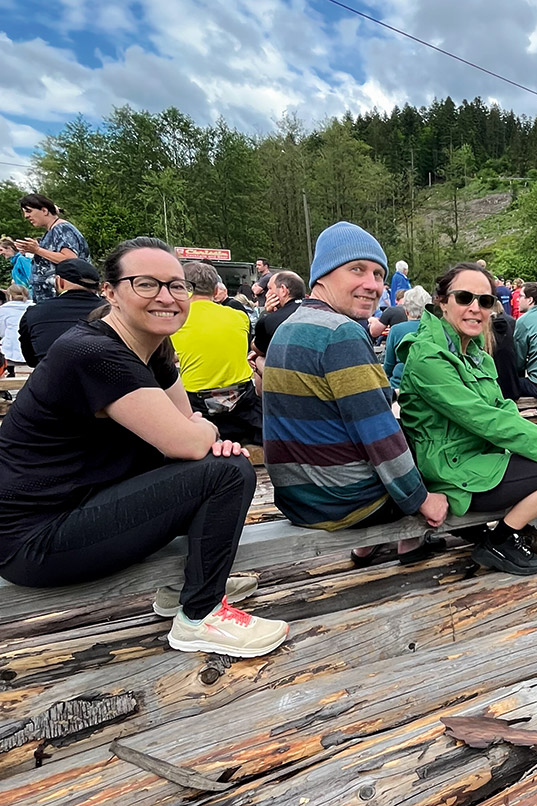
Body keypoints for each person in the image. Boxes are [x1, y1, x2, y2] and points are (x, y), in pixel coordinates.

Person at [0, 236, 287, 657]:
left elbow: (186, 424)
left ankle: (182, 588)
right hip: (33, 539)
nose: (167, 297)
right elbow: (187, 437)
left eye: (175, 285)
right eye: (146, 284)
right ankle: (200, 615)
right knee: (227, 470)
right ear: (110, 292)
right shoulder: (94, 353)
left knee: (212, 460)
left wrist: (196, 434)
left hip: (76, 507)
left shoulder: (150, 348)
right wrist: (202, 435)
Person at [263, 222, 448, 566]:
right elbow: (377, 432)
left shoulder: (289, 325)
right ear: (323, 275)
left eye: (378, 274)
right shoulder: (341, 332)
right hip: (347, 501)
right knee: (431, 447)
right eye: (357, 270)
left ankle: (365, 549)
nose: (373, 284)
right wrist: (422, 500)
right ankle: (410, 544)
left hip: (299, 498)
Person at [397, 263, 537, 575]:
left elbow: (501, 408)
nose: (475, 308)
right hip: (449, 468)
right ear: (441, 301)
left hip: (477, 456)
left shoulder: (476, 353)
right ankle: (502, 540)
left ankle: (487, 532)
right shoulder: (427, 356)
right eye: (464, 298)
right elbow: (478, 417)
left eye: (484, 301)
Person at [172, 262, 262, 445]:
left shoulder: (174, 320)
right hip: (243, 403)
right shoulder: (239, 316)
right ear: (215, 291)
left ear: (184, 289)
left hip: (198, 405)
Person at [17, 258, 104, 368]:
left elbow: (31, 361)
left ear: (60, 281)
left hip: (51, 381)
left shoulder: (34, 313)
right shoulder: (113, 310)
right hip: (106, 381)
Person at [14, 194, 90, 303]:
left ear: (44, 211)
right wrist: (33, 250)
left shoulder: (62, 229)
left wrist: (37, 250)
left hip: (63, 302)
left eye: (29, 211)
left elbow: (70, 259)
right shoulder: (52, 231)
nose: (26, 216)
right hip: (52, 302)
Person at [382, 285, 432, 388]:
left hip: (399, 386)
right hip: (428, 387)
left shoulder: (396, 330)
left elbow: (388, 366)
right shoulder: (437, 329)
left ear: (406, 311)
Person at [0, 285, 33, 374]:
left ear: (10, 296)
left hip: (11, 352)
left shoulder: (3, 310)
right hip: (32, 351)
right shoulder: (35, 307)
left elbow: (1, 332)